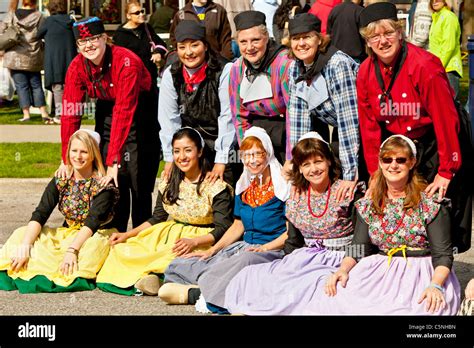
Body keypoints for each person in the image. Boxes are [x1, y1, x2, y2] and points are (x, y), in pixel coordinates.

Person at [356, 2, 471, 253]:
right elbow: (369, 127)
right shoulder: (365, 72)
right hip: (399, 144)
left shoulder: (424, 65)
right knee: (400, 208)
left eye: (388, 33)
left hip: (435, 140)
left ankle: (440, 272)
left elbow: (445, 119)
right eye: (375, 36)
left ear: (400, 32)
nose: (382, 41)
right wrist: (375, 173)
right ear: (367, 40)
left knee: (438, 207)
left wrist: (446, 170)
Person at [224, 132, 364, 315]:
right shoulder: (297, 197)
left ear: (329, 161)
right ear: (299, 169)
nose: (313, 169)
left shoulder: (347, 194)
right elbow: (293, 240)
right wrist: (286, 265)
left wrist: (346, 266)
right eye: (306, 164)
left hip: (341, 259)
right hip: (305, 257)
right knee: (252, 277)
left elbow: (361, 242)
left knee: (318, 288)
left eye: (318, 161)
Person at [320, 135, 460, 315]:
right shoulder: (369, 204)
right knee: (339, 299)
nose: (393, 165)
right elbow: (358, 247)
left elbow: (443, 255)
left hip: (421, 272)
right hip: (380, 271)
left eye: (400, 160)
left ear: (412, 163)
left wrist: (435, 285)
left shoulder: (430, 204)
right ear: (380, 162)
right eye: (387, 159)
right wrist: (343, 269)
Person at [158, 127, 290, 313]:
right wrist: (212, 250)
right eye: (246, 155)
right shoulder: (244, 186)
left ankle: (201, 294)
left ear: (267, 153)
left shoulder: (283, 188)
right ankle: (205, 288)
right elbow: (238, 225)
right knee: (180, 264)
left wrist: (265, 248)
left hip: (272, 250)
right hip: (245, 246)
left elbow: (290, 233)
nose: (252, 160)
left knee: (244, 261)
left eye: (257, 154)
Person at [95, 127, 233, 296]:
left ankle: (156, 278)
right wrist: (127, 234)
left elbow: (224, 227)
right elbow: (157, 218)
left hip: (200, 239)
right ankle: (148, 278)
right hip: (168, 234)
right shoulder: (169, 182)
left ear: (200, 152)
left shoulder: (215, 186)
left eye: (188, 150)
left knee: (173, 259)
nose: (182, 157)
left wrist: (194, 242)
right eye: (176, 151)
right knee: (126, 248)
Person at [58, 17, 155, 233]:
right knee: (109, 178)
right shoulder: (76, 66)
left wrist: (115, 159)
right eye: (83, 42)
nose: (89, 45)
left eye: (93, 39)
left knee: (137, 178)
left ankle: (141, 235)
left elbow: (124, 110)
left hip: (140, 112)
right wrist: (66, 157)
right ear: (77, 46)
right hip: (106, 109)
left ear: (105, 38)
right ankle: (113, 231)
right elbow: (70, 112)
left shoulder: (126, 61)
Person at [0, 129, 119, 293]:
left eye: (84, 152)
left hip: (92, 236)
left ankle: (53, 268)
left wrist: (72, 250)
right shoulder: (61, 179)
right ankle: (30, 263)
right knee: (22, 234)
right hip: (67, 233)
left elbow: (92, 223)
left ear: (93, 154)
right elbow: (40, 213)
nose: (78, 156)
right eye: (74, 150)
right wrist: (25, 247)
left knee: (92, 249)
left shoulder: (103, 185)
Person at [286, 13, 361, 200]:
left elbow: (349, 121)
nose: (301, 43)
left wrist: (350, 175)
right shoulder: (295, 67)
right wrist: (297, 169)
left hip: (363, 129)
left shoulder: (337, 64)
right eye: (296, 38)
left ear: (319, 39)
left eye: (307, 37)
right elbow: (298, 119)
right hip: (338, 126)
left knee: (351, 187)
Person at [158, 20, 236, 185]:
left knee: (221, 194)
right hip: (189, 147)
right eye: (182, 47)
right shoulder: (171, 75)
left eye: (194, 45)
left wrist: (221, 160)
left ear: (205, 46)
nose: (188, 53)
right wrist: (171, 157)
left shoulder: (224, 70)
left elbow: (227, 117)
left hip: (221, 141)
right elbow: (169, 120)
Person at [229, 10, 293, 165]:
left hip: (287, 133)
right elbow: (239, 116)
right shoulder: (237, 69)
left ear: (266, 38)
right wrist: (247, 152)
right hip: (257, 135)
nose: (250, 47)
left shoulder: (284, 63)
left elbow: (294, 114)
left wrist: (291, 158)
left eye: (255, 40)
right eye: (243, 42)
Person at [0, 0, 51, 123]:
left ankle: (26, 115)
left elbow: (2, 31)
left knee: (21, 86)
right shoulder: (39, 16)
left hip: (15, 56)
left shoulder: (12, 14)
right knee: (36, 85)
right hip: (33, 56)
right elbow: (43, 34)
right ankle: (43, 113)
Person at [36, 0, 77, 125]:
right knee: (71, 86)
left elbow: (38, 34)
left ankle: (60, 115)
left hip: (54, 59)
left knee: (57, 87)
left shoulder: (48, 21)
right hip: (70, 58)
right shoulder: (71, 21)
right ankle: (72, 113)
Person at [169, 0, 233, 60]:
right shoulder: (182, 14)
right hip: (193, 61)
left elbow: (226, 38)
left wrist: (225, 59)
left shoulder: (219, 10)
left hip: (215, 61)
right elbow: (174, 38)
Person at [428, 0, 463, 98]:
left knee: (450, 105)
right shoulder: (437, 17)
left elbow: (449, 46)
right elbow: (435, 46)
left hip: (448, 68)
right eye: (432, 0)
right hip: (439, 67)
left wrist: (438, 67)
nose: (434, 1)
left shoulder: (448, 17)